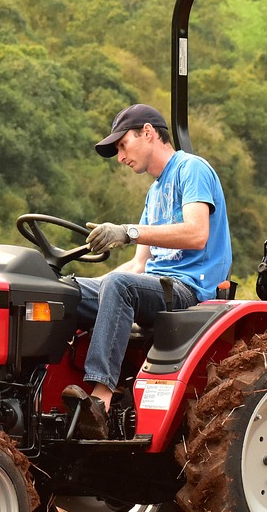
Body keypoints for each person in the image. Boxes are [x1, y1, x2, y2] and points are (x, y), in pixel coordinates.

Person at [64, 103, 232, 438]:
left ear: (148, 133)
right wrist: (85, 284)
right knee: (65, 291)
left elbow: (197, 234)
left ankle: (100, 400)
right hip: (153, 284)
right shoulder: (154, 192)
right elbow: (139, 265)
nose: (121, 157)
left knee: (120, 285)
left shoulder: (191, 169)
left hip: (188, 289)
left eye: (122, 146)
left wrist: (127, 231)